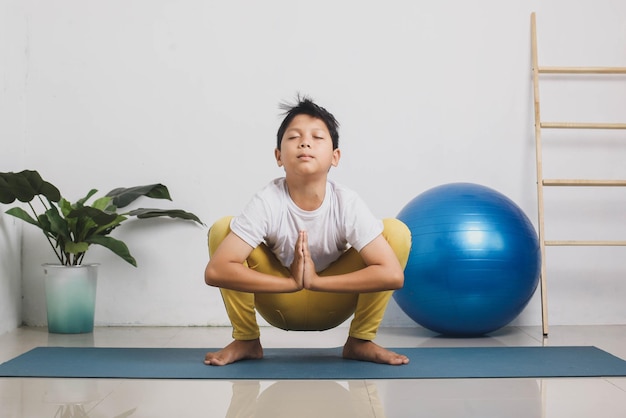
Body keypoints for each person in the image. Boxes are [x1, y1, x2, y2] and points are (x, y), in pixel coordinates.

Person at [204, 96, 412, 366]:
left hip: (331, 301)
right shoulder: (268, 200)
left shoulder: (346, 202)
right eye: (294, 137)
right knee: (225, 227)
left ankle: (360, 340)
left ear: (335, 157)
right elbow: (216, 271)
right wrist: (291, 282)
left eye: (317, 137)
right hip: (280, 300)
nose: (305, 142)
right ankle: (246, 340)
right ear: (278, 156)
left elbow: (393, 275)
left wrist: (315, 281)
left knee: (393, 231)